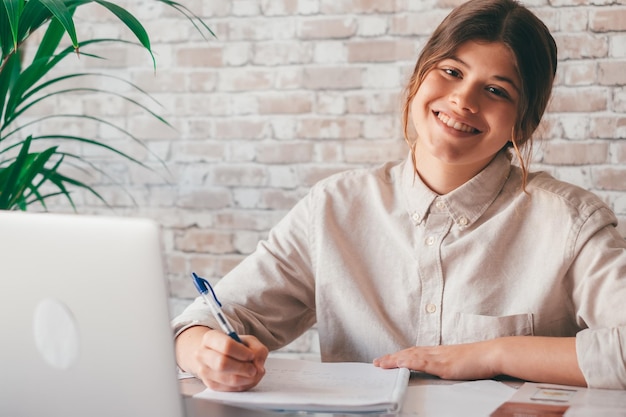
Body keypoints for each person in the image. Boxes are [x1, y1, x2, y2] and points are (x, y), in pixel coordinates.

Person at [173, 0, 626, 392]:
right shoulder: (334, 208)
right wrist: (205, 352)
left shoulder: (571, 222)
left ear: (522, 125)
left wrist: (493, 354)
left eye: (495, 90)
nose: (463, 100)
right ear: (418, 78)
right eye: (451, 71)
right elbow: (203, 321)